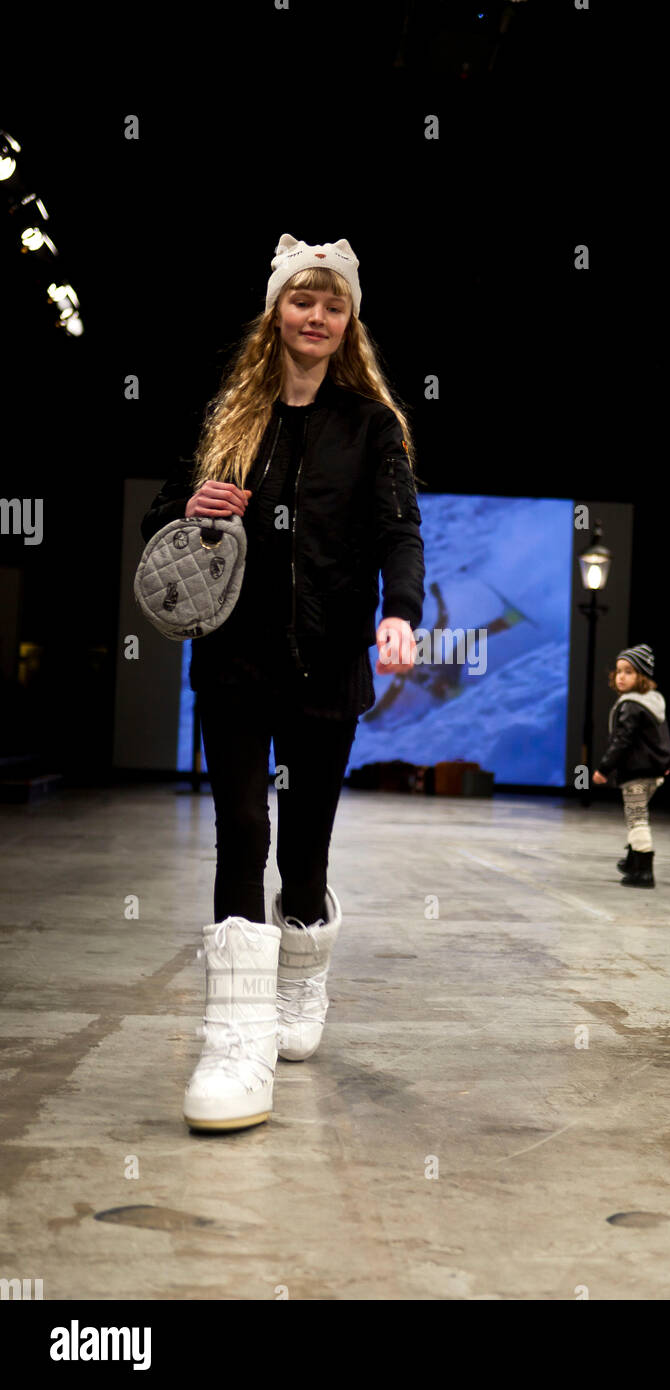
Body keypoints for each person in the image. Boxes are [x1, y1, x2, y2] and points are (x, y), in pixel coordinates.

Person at [140, 233, 425, 1132]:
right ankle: (234, 1036)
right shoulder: (230, 417)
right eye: (303, 301)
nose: (317, 316)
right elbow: (159, 517)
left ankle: (304, 977)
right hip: (233, 657)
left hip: (327, 664)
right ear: (277, 313)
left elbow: (399, 533)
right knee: (240, 835)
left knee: (303, 852)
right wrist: (190, 507)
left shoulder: (372, 427)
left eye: (333, 304)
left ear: (349, 323)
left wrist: (401, 611)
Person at [592, 644, 670, 888]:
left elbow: (622, 742)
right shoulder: (654, 702)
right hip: (654, 773)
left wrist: (603, 769)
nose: (621, 677)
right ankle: (632, 861)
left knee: (637, 819)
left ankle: (644, 872)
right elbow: (662, 738)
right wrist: (665, 763)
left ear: (642, 676)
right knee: (636, 816)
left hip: (636, 774)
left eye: (628, 671)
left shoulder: (631, 706)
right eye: (618, 671)